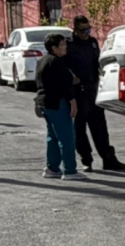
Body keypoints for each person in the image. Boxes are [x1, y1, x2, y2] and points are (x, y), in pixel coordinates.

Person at [65, 15, 125, 172]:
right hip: (78, 91)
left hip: (93, 90)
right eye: (83, 30)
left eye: (88, 29)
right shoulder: (68, 45)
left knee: (100, 126)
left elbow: (98, 63)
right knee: (80, 129)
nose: (87, 33)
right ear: (75, 30)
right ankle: (86, 159)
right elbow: (62, 65)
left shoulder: (92, 42)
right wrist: (71, 77)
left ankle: (108, 159)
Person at [37, 33, 88, 181]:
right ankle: (70, 170)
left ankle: (52, 168)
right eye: (63, 44)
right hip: (58, 103)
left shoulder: (43, 60)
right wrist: (72, 101)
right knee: (67, 137)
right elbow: (62, 85)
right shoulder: (56, 62)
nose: (66, 47)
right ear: (54, 48)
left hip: (45, 103)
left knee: (53, 136)